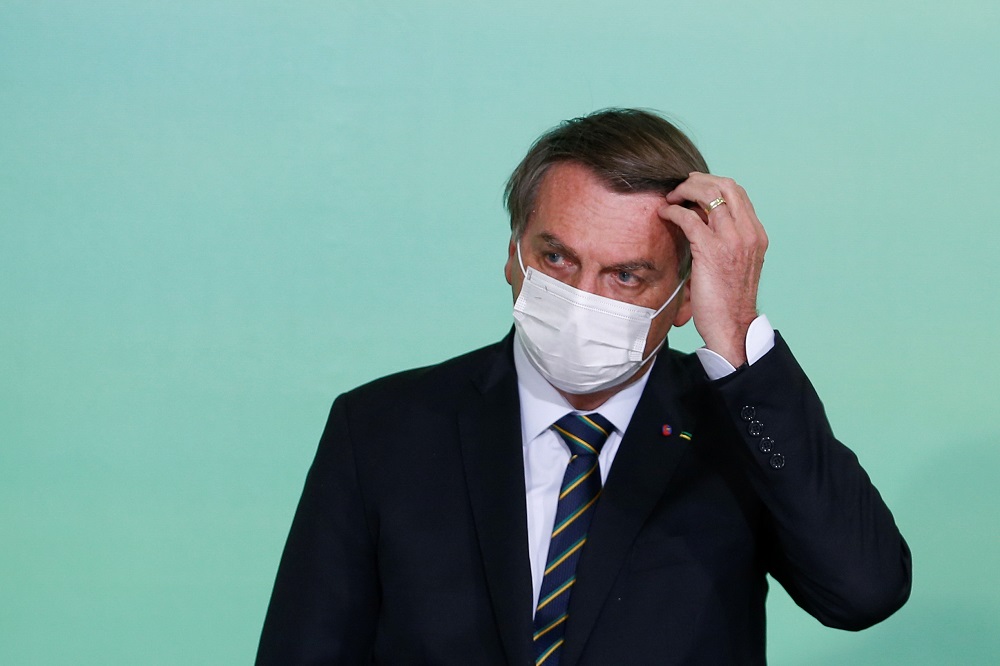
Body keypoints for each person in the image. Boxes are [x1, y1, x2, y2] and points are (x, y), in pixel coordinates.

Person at [256, 108, 911, 665]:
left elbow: (863, 591)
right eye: (557, 257)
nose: (580, 298)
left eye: (626, 276)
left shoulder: (736, 429)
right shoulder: (381, 428)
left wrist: (737, 337)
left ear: (684, 297)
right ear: (514, 253)